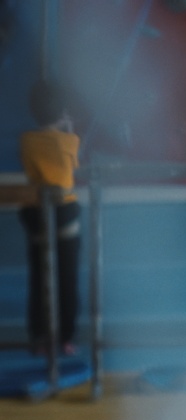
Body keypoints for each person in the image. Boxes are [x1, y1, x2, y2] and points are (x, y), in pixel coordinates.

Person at [19, 81, 81, 355]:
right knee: (67, 278)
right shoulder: (70, 140)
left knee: (39, 277)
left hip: (35, 213)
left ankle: (39, 336)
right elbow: (70, 168)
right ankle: (65, 337)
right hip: (63, 212)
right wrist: (67, 130)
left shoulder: (26, 140)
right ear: (63, 111)